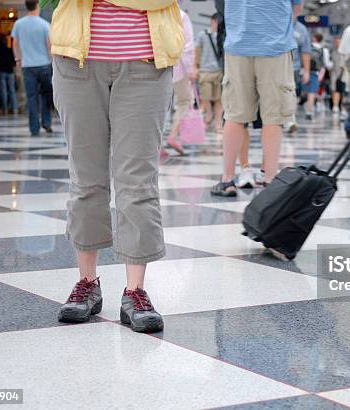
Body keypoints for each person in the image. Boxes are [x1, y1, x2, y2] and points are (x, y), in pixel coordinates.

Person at [50, 0, 184, 332]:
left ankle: (135, 292)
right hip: (76, 62)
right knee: (85, 178)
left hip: (145, 64)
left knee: (137, 181)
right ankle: (87, 284)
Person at [210, 0, 304, 196]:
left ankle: (227, 179)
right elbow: (297, 7)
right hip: (275, 47)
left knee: (235, 116)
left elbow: (221, 7)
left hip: (238, 46)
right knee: (274, 117)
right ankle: (270, 179)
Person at [12, 0, 53, 136]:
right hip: (44, 65)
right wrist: (52, 61)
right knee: (46, 95)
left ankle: (34, 128)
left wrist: (18, 59)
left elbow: (15, 44)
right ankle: (46, 123)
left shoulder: (18, 24)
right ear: (38, 6)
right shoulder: (45, 25)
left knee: (31, 97)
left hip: (27, 66)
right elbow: (49, 46)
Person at [164, 8, 195, 156]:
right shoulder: (181, 16)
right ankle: (173, 136)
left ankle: (157, 146)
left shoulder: (155, 11)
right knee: (184, 101)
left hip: (158, 65)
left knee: (159, 106)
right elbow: (187, 45)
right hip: (178, 67)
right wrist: (190, 69)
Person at [194, 13, 223, 134]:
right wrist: (195, 67)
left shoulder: (223, 36)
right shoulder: (202, 35)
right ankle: (209, 115)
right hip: (205, 71)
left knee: (219, 100)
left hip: (219, 71)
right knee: (205, 98)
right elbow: (197, 52)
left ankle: (218, 124)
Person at [285, 17, 311, 133]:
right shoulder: (276, 21)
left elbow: (305, 51)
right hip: (275, 65)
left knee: (291, 93)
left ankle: (291, 119)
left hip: (293, 67)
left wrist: (306, 71)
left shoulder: (302, 29)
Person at [306, 33, 332, 120]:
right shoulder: (324, 50)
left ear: (314, 38)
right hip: (316, 72)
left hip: (304, 71)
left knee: (298, 92)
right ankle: (309, 111)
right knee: (312, 92)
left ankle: (292, 115)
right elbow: (326, 63)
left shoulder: (307, 47)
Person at [0, 35, 18, 115]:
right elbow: (14, 62)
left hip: (2, 72)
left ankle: (5, 109)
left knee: (3, 91)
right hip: (10, 72)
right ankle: (15, 109)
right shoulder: (9, 50)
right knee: (12, 91)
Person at [329, 37, 346, 117]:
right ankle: (335, 106)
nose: (337, 43)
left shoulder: (346, 51)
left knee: (344, 91)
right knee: (335, 90)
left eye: (339, 42)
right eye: (336, 42)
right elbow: (329, 62)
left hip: (344, 74)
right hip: (335, 73)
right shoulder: (332, 51)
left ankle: (343, 107)